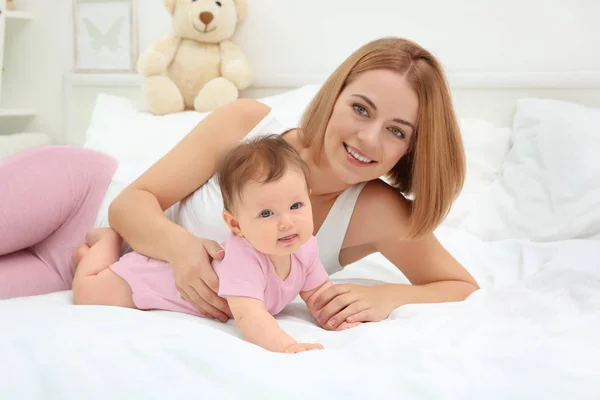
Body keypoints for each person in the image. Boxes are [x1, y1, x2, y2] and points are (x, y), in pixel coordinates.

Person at [0, 37, 479, 330]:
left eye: (397, 131)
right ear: (334, 97)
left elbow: (459, 285)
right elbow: (131, 205)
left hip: (84, 276)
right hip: (82, 196)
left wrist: (386, 296)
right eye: (361, 108)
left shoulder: (377, 210)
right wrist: (182, 248)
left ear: (411, 149)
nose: (368, 138)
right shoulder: (249, 124)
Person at [71, 136, 358, 353]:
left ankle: (98, 252)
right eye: (267, 213)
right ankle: (108, 240)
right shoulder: (244, 256)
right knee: (87, 289)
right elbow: (249, 316)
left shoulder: (305, 247)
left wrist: (335, 318)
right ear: (236, 225)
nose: (286, 223)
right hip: (151, 280)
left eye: (296, 205)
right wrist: (285, 346)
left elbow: (319, 292)